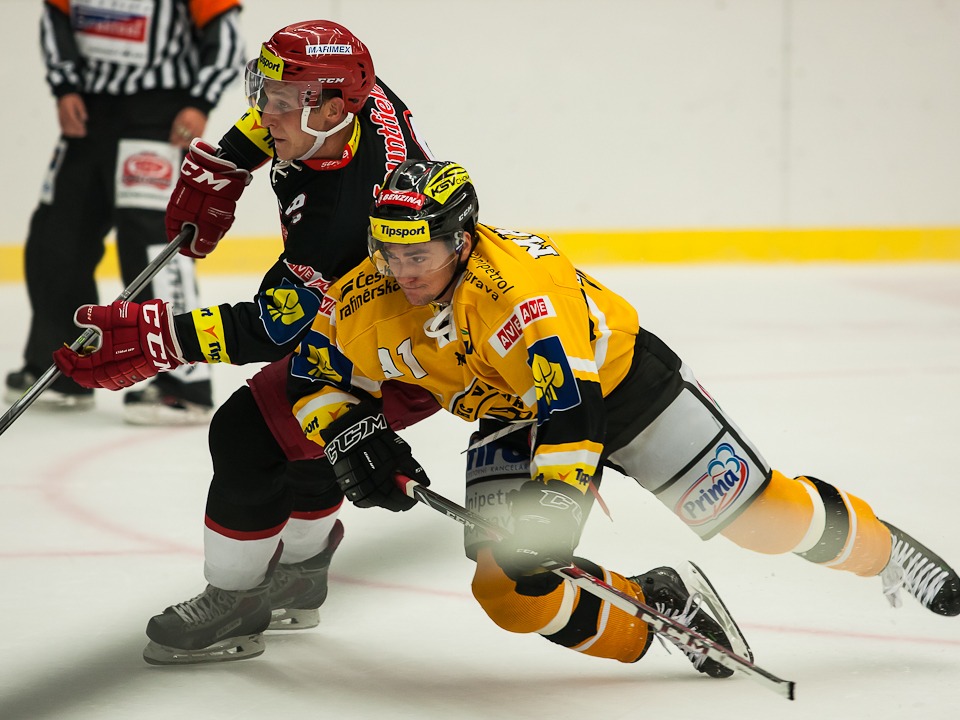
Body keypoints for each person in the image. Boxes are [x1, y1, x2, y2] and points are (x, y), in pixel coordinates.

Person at [55, 160, 960, 673]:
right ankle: (656, 607)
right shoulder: (366, 295)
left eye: (422, 250)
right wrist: (356, 437)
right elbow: (318, 379)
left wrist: (554, 511)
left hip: (617, 389)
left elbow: (571, 407)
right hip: (509, 417)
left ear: (464, 238)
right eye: (389, 249)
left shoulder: (518, 293)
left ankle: (891, 553)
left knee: (766, 522)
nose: (403, 269)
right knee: (510, 594)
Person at [54, 20, 440, 665]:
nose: (264, 113)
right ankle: (303, 576)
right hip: (367, 322)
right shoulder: (356, 99)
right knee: (302, 435)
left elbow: (271, 326)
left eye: (281, 102)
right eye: (263, 92)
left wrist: (159, 336)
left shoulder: (346, 217)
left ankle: (235, 602)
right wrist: (230, 163)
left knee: (244, 433)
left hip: (398, 347)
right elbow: (284, 114)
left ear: (332, 110)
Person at [5, 0, 245, 424]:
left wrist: (199, 102)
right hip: (88, 113)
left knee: (152, 243)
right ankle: (60, 370)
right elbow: (56, 21)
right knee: (56, 239)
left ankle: (182, 384)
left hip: (158, 115)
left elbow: (226, 40)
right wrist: (65, 88)